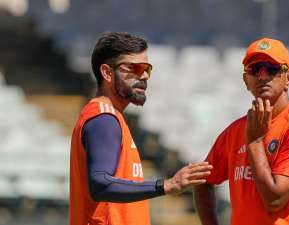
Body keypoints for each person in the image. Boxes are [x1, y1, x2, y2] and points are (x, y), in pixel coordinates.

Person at [70, 32, 212, 225]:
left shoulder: (111, 116)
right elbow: (101, 184)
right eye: (134, 68)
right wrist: (167, 185)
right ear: (107, 73)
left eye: (147, 68)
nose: (144, 75)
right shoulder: (104, 118)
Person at [193, 38, 289, 225]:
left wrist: (255, 142)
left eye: (271, 69)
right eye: (255, 69)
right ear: (246, 80)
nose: (262, 76)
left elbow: (275, 200)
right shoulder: (236, 130)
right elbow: (202, 181)